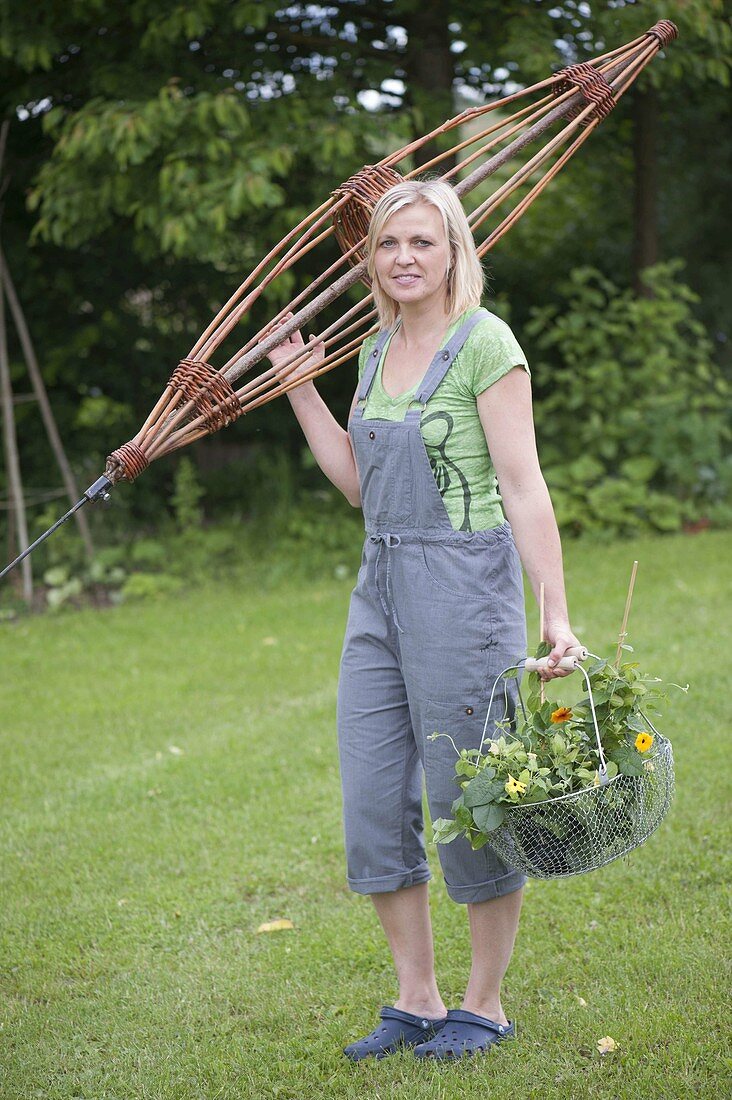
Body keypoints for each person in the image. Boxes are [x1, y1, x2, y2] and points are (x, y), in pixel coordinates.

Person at [266, 179, 582, 1061]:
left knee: (468, 794)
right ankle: (418, 998)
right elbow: (362, 487)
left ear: (454, 254)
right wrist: (300, 391)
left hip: (466, 586)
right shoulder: (372, 352)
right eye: (388, 244)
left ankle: (485, 1002)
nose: (404, 258)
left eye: (422, 243)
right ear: (369, 258)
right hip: (381, 583)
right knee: (372, 797)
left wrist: (555, 614)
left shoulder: (487, 345)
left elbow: (524, 487)